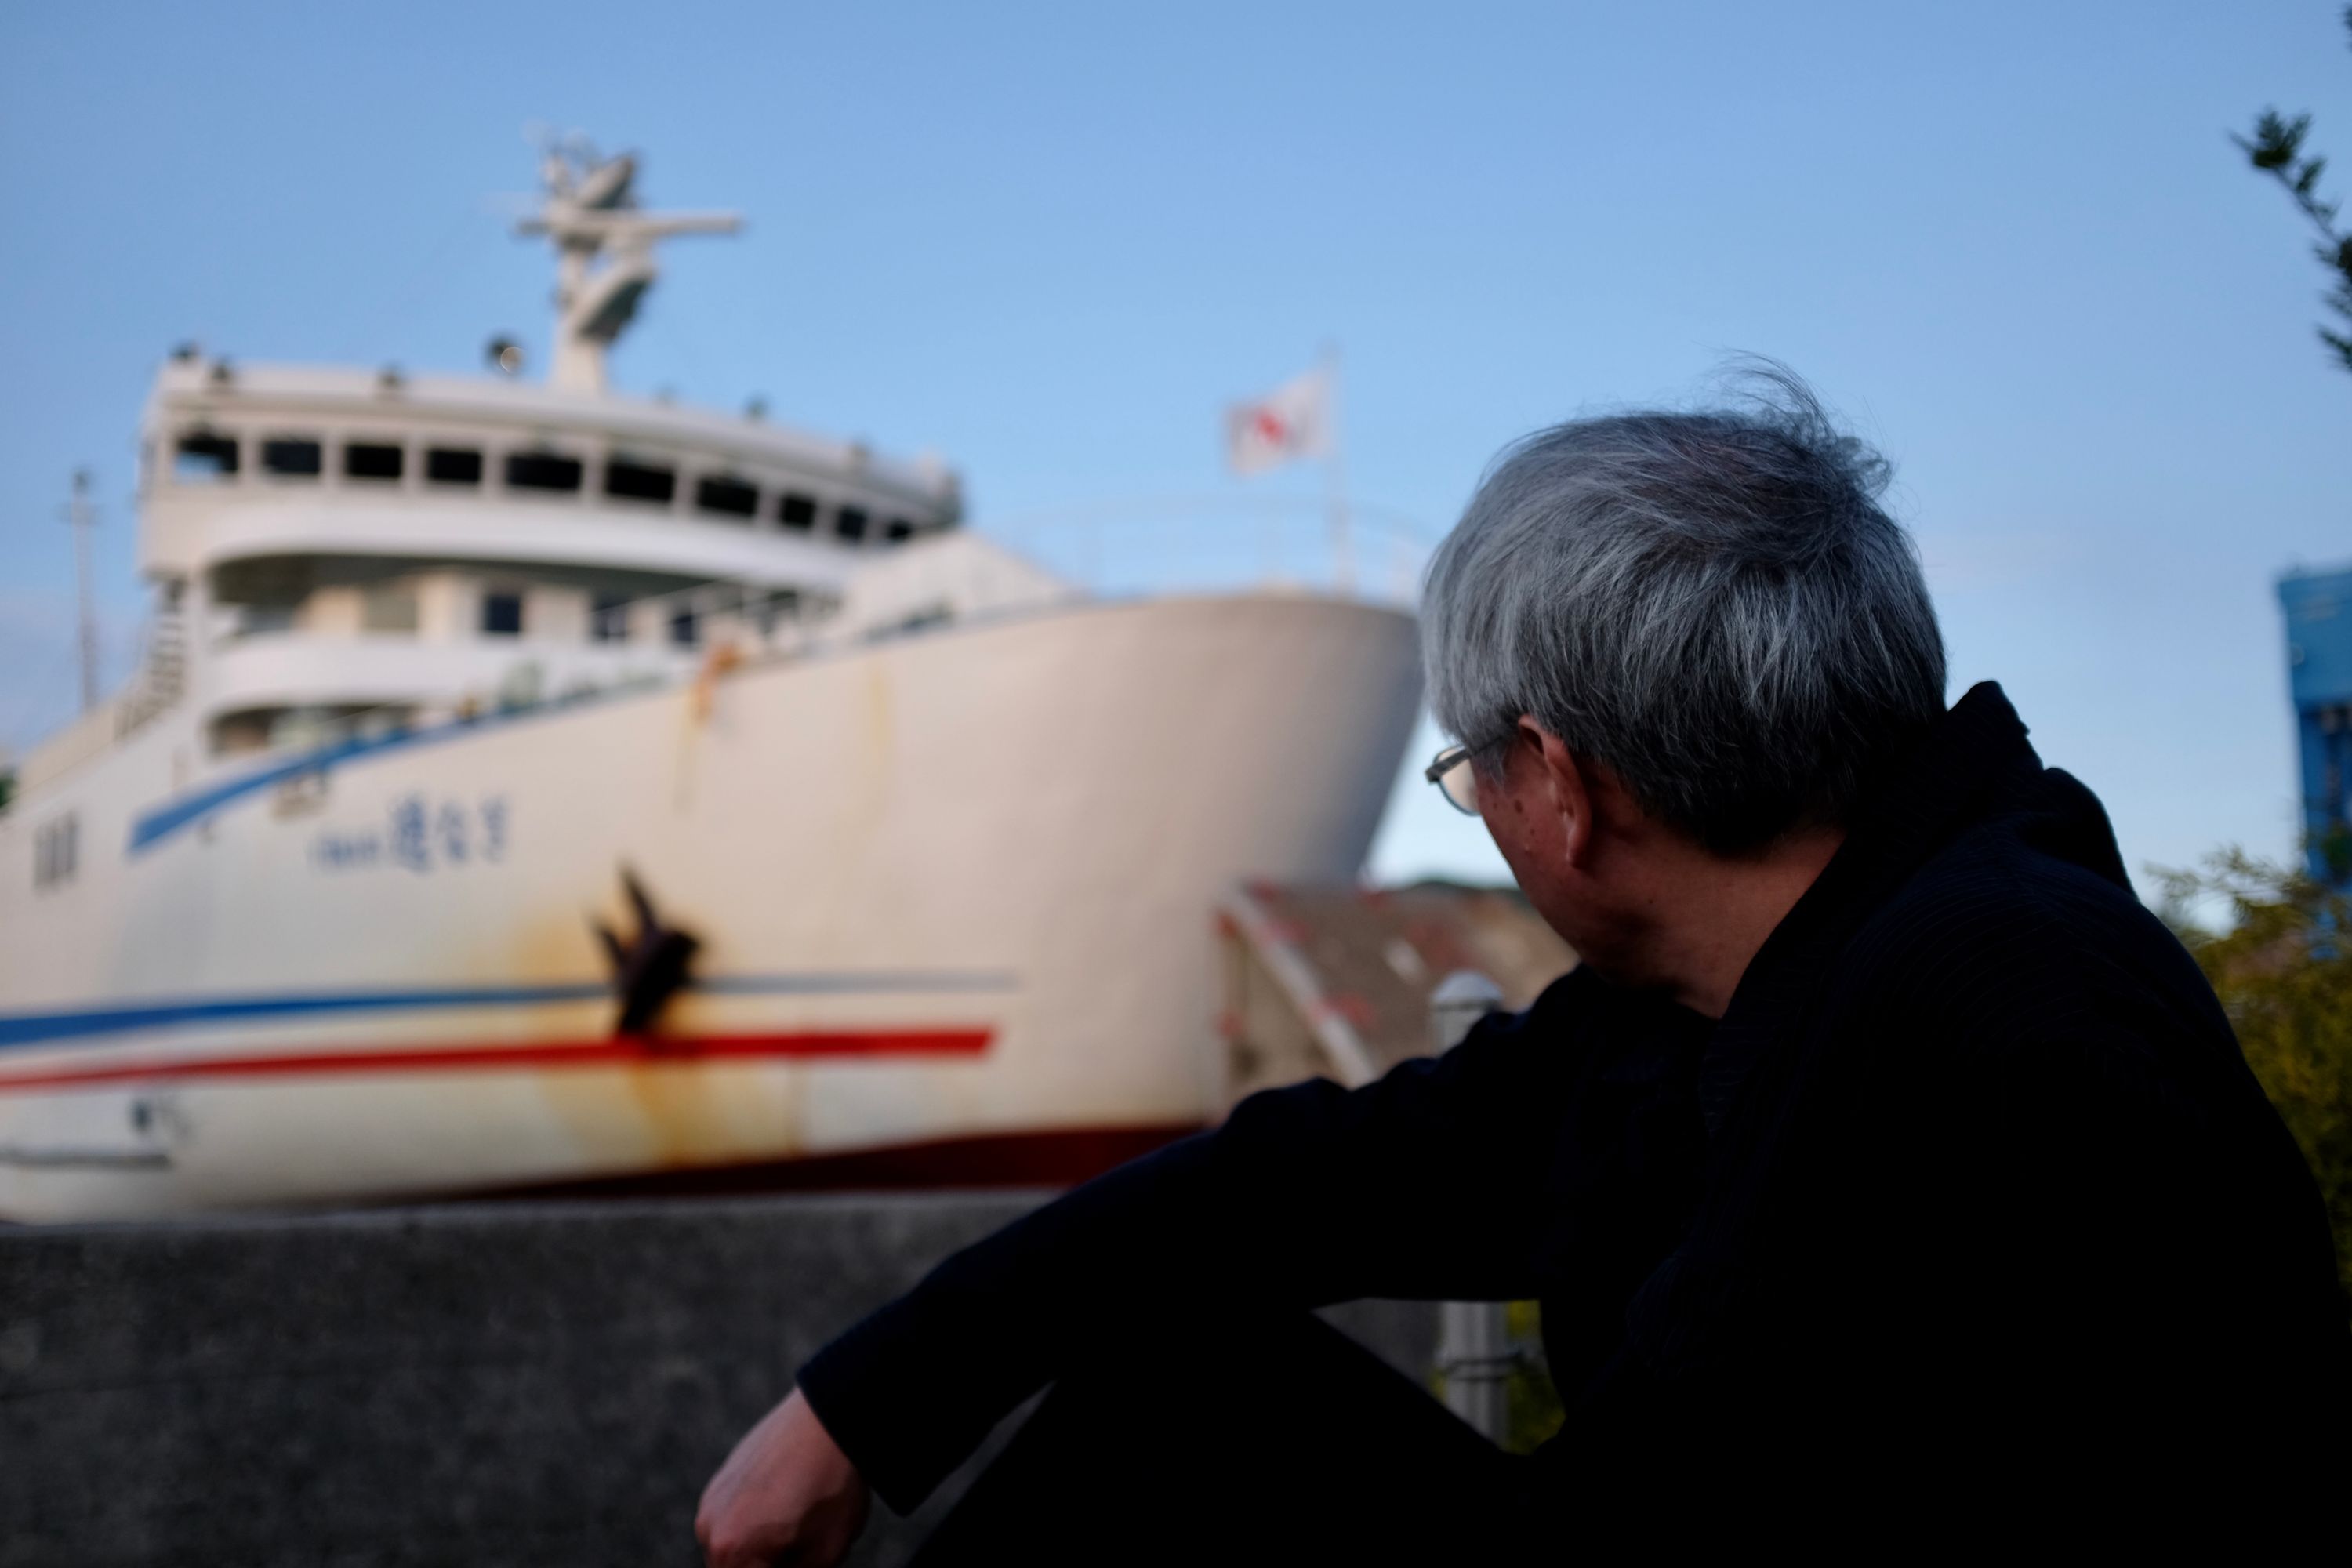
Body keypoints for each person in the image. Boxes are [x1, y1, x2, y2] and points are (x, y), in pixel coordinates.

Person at [697, 367, 2350, 1565]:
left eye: (1468, 770)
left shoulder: (2009, 1012)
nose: (1477, 807)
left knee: (1183, 1440)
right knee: (1181, 1390)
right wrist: (864, 1399)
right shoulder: (1711, 994)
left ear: (1558, 785)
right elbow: (1294, 1188)